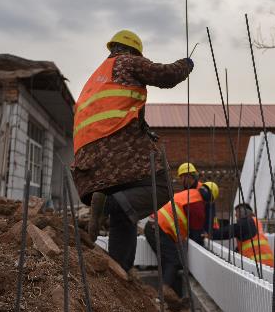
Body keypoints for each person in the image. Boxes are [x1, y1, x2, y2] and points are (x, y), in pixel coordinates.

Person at [72, 29, 193, 272]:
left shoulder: (99, 75)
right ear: (134, 51)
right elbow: (165, 75)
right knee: (162, 185)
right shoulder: (127, 62)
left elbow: (118, 108)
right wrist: (186, 64)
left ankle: (119, 268)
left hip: (87, 160)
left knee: (126, 211)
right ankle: (106, 204)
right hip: (113, 146)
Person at [144, 181, 218, 296]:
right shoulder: (198, 206)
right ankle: (164, 293)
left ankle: (172, 296)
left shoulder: (190, 193)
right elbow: (196, 234)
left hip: (152, 226)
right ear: (210, 199)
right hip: (160, 229)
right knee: (173, 261)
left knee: (167, 262)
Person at [209, 202, 274, 267]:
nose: (236, 216)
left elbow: (228, 231)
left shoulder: (246, 223)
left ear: (243, 213)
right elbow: (249, 241)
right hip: (269, 264)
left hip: (256, 264)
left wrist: (210, 235)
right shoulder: (256, 222)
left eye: (237, 213)